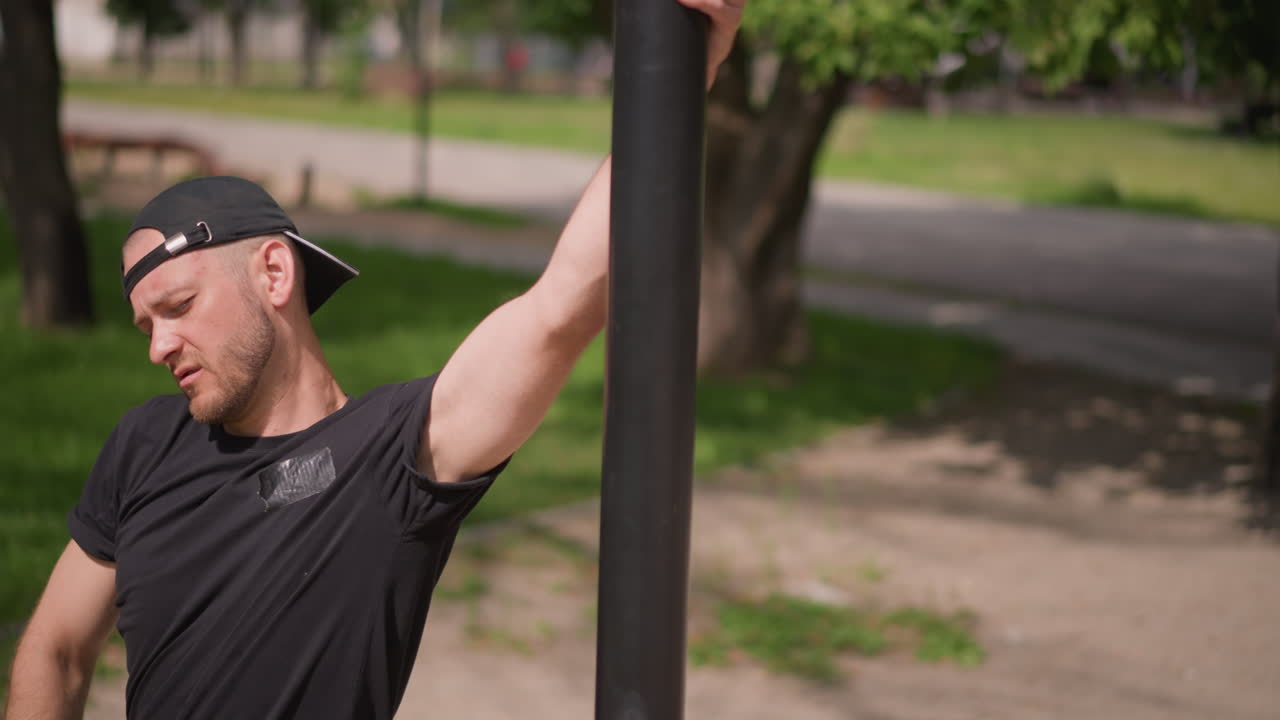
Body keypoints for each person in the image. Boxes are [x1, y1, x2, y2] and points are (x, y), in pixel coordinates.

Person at [3, 2, 744, 717]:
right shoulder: (146, 443)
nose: (159, 345)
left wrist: (680, 74)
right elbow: (57, 650)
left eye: (177, 308)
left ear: (273, 273)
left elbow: (560, 307)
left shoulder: (393, 459)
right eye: (144, 327)